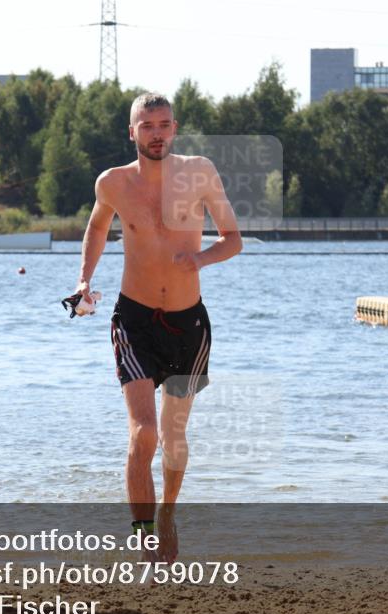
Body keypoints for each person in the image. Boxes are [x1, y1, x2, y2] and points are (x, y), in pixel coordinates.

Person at [72, 93, 242, 559]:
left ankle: (167, 512)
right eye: (147, 125)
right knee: (144, 431)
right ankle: (144, 536)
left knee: (174, 437)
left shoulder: (200, 172)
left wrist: (200, 259)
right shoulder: (113, 183)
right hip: (135, 318)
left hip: (189, 324)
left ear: (175, 128)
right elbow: (97, 229)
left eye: (164, 124)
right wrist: (84, 280)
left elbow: (233, 240)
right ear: (132, 132)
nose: (157, 133)